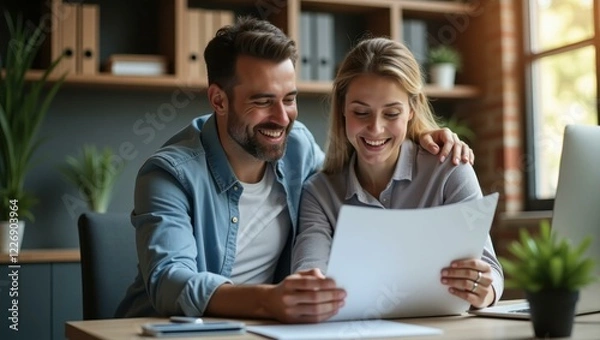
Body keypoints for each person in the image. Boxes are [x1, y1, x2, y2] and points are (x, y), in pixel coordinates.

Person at [115, 17, 475, 323]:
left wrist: (417, 133)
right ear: (219, 100)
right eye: (262, 101)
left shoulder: (297, 147)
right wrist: (268, 300)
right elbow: (169, 282)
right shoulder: (168, 174)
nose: (282, 117)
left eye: (289, 99)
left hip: (264, 327)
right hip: (168, 330)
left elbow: (356, 173)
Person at [292, 37, 503, 309]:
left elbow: (489, 271)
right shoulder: (319, 193)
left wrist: (483, 290)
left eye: (391, 114)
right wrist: (310, 293)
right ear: (343, 108)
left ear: (411, 111)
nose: (376, 128)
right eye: (361, 112)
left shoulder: (449, 170)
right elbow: (308, 275)